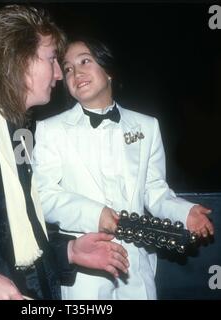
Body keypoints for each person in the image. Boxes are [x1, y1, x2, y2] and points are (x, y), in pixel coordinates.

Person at [0, 6, 130, 300]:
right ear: (20, 59)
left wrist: (68, 250)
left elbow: (22, 226)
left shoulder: (23, 133)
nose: (58, 74)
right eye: (52, 59)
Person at [32, 37, 214, 299]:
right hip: (87, 272)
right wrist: (97, 215)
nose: (76, 72)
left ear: (108, 70)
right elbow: (44, 196)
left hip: (137, 269)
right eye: (68, 68)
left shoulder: (147, 126)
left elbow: (154, 191)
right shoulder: (51, 130)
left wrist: (185, 214)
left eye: (85, 61)